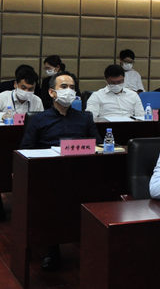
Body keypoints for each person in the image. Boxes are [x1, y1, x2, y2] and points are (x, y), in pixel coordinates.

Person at [20, 71, 102, 271]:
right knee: (53, 198)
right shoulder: (38, 119)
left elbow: (99, 146)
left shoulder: (85, 118)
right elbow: (26, 150)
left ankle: (94, 244)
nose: (69, 91)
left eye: (72, 87)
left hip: (81, 172)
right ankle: (52, 247)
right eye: (64, 87)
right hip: (49, 174)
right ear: (52, 92)